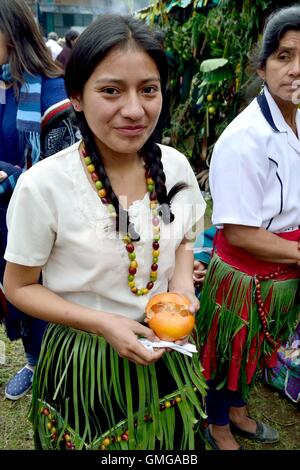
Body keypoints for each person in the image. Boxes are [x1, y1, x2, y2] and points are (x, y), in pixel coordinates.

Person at [3, 15, 206, 450]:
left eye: (148, 89)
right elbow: (18, 287)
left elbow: (186, 236)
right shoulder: (43, 186)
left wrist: (183, 286)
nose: (134, 109)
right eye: (111, 90)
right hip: (85, 360)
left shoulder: (174, 166)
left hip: (165, 349)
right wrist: (104, 323)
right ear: (76, 96)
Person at [196, 5, 300, 451]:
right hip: (245, 274)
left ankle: (238, 411)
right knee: (227, 353)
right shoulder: (244, 139)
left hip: (283, 269)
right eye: (284, 56)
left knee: (255, 351)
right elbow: (238, 232)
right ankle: (218, 425)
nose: (297, 70)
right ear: (262, 67)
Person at [0, 0, 78, 401]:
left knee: (46, 290)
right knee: (15, 291)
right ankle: (33, 360)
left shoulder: (53, 93)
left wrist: (13, 178)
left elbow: (65, 175)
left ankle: (60, 361)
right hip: (3, 218)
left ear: (11, 35)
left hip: (43, 221)